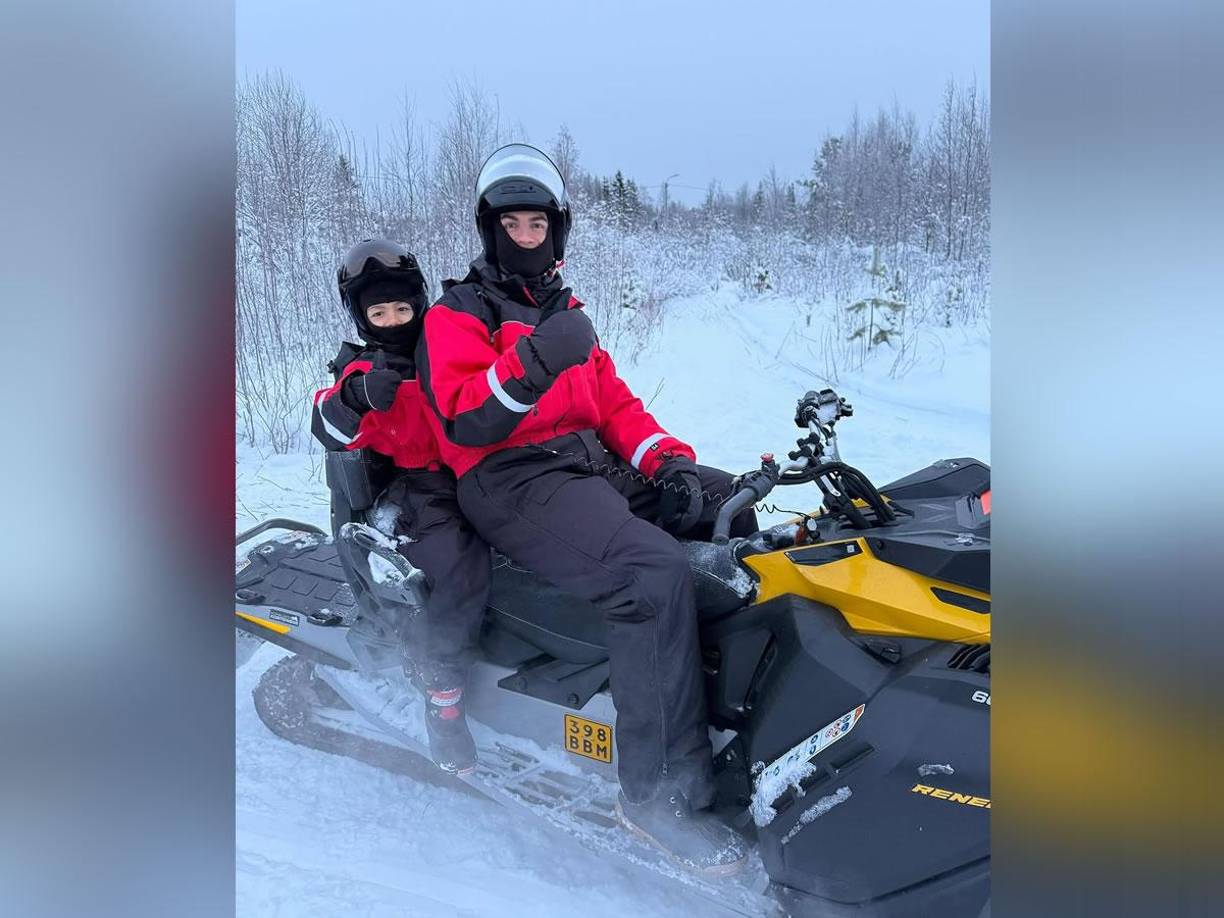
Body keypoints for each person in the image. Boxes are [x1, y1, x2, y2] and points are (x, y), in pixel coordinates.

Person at [416, 144, 757, 875]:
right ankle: (657, 794)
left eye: (537, 224)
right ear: (489, 231)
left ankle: (731, 717)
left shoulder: (565, 312)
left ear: (557, 230)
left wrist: (669, 461)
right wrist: (535, 360)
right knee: (648, 573)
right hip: (506, 475)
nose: (525, 236)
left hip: (581, 463)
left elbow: (615, 407)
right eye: (512, 224)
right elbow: (465, 416)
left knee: (729, 505)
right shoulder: (457, 313)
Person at [311, 239, 489, 776]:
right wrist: (355, 397)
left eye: (402, 310)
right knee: (460, 562)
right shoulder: (363, 369)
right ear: (362, 318)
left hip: (478, 471)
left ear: (419, 305)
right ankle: (442, 691)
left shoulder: (446, 346)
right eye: (378, 313)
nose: (392, 321)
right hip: (416, 487)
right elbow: (327, 423)